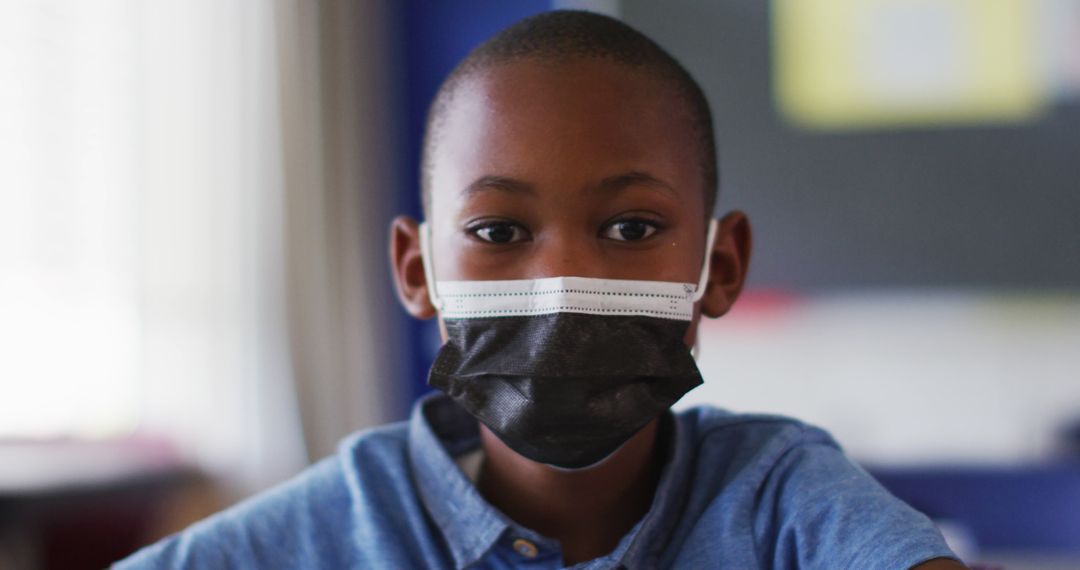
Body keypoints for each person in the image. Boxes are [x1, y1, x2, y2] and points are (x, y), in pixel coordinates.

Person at [116, 11, 964, 569]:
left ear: (723, 266)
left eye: (631, 228)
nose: (565, 288)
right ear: (419, 273)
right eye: (497, 233)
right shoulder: (325, 531)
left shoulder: (780, 495)